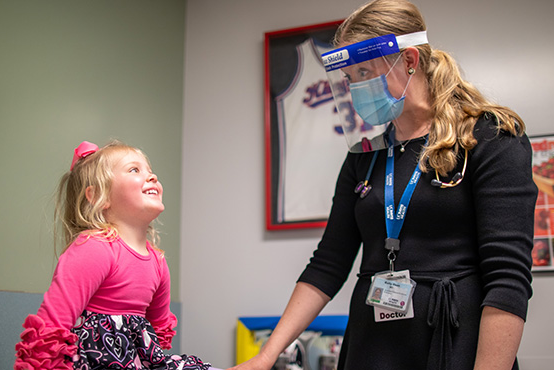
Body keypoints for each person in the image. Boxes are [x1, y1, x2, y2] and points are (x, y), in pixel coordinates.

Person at [229, 0, 537, 369]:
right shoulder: (365, 155)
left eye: (365, 72)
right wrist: (266, 356)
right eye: (350, 78)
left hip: (452, 343)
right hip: (372, 348)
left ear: (409, 61)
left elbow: (507, 279)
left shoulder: (489, 138)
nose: (357, 87)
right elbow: (328, 263)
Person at [14, 140, 214, 370]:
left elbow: (157, 331)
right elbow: (53, 324)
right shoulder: (95, 247)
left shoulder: (157, 262)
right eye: (134, 170)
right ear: (99, 195)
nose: (153, 176)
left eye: (150, 170)